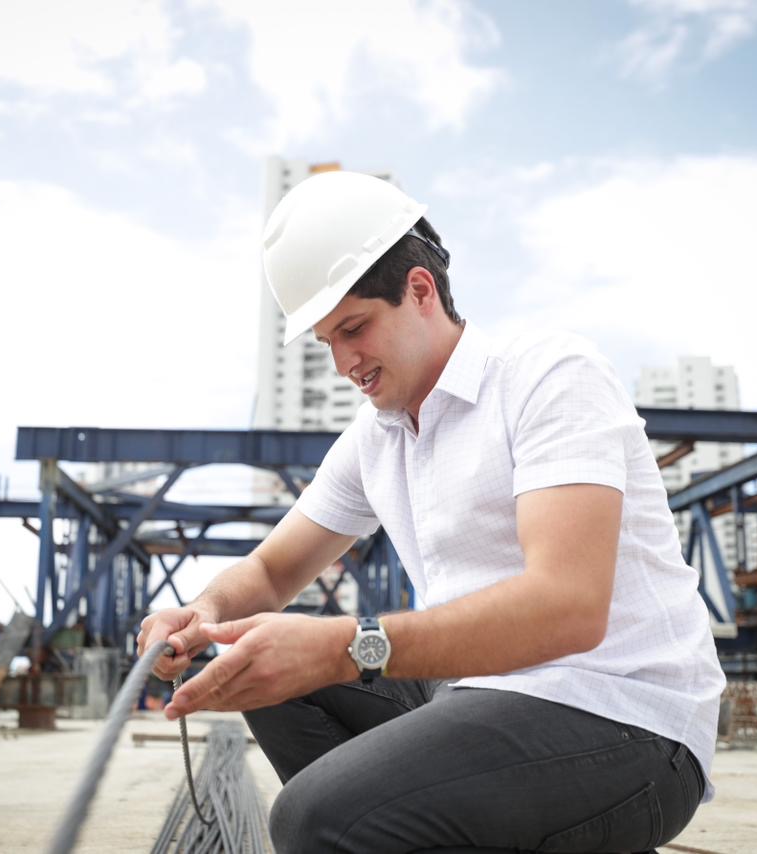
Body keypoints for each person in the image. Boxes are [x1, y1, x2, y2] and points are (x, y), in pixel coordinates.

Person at [139, 171, 725, 853]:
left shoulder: (548, 376)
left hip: (625, 719)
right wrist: (203, 613)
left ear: (420, 290)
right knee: (255, 664)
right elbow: (271, 571)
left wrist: (344, 646)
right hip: (480, 696)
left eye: (354, 329)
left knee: (316, 818)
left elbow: (570, 606)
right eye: (327, 341)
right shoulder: (375, 438)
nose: (343, 363)